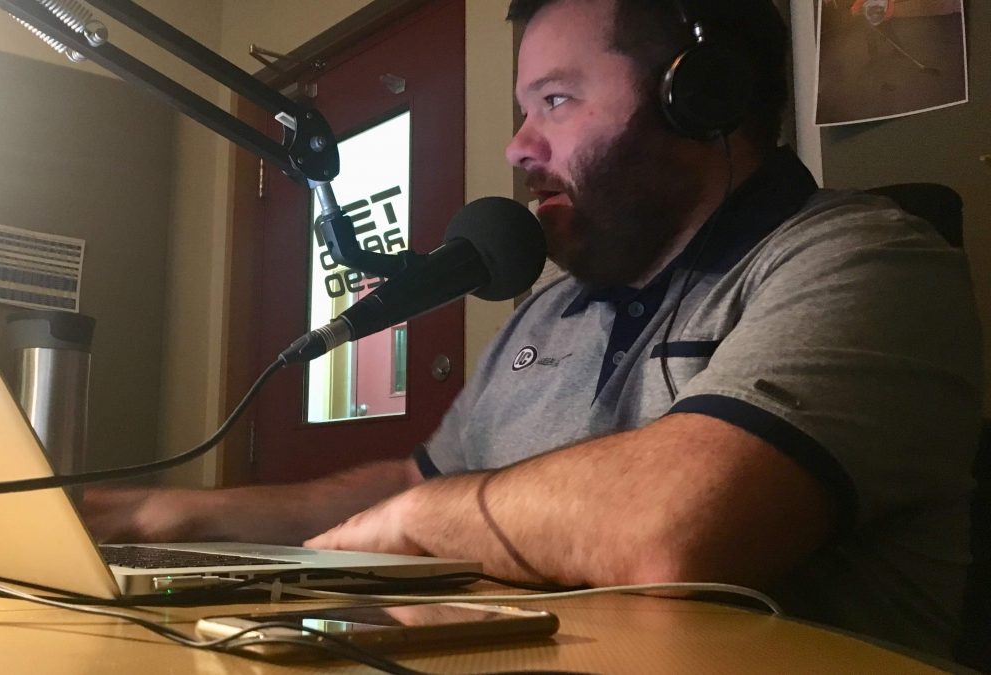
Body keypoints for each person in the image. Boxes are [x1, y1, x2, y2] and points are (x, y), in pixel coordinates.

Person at [84, 0, 982, 658]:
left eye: (554, 100)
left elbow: (672, 527)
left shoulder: (867, 262)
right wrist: (180, 512)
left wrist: (420, 520)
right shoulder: (550, 310)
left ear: (700, 97)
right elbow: (411, 484)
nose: (518, 146)